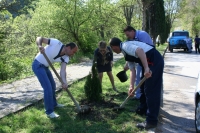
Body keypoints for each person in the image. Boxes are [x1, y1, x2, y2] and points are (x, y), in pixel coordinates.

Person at [109, 37, 164, 130]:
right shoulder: (125, 53)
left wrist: (146, 68)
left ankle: (151, 121)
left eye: (112, 49)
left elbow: (140, 50)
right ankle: (142, 109)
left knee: (151, 90)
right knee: (142, 87)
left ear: (113, 47)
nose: (113, 51)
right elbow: (132, 71)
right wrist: (131, 86)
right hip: (148, 63)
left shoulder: (126, 46)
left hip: (154, 61)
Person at [32, 37, 78, 118]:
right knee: (48, 88)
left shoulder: (66, 57)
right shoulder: (56, 43)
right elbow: (40, 38)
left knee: (53, 86)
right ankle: (49, 112)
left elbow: (63, 71)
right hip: (38, 65)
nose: (73, 54)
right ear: (68, 47)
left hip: (45, 67)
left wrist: (64, 82)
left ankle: (54, 104)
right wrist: (40, 46)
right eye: (73, 51)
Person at [123, 25, 154, 111]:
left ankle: (143, 98)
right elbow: (132, 52)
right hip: (141, 59)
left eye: (128, 34)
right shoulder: (132, 39)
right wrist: (127, 64)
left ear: (132, 31)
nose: (127, 37)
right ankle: (138, 96)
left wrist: (146, 67)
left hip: (149, 59)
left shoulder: (142, 35)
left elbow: (143, 50)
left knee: (142, 78)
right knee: (138, 77)